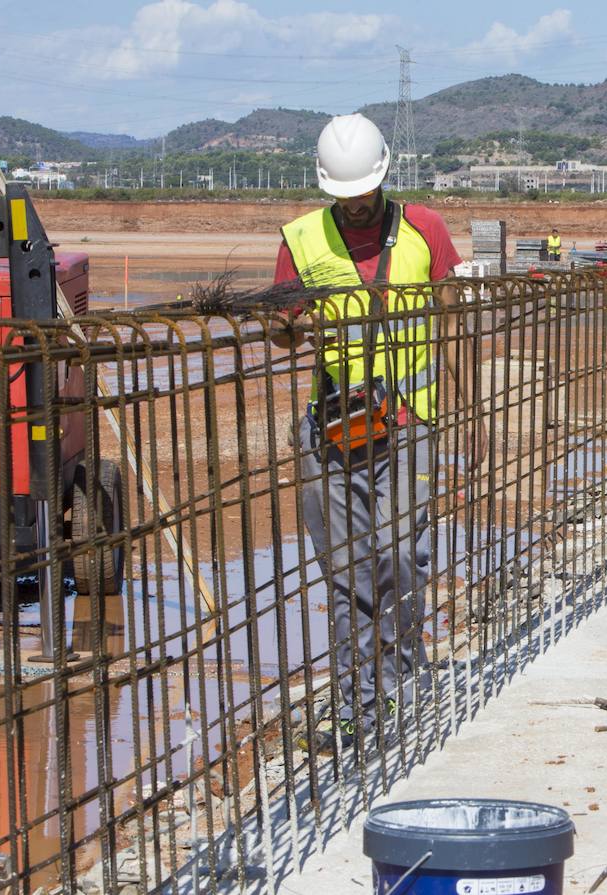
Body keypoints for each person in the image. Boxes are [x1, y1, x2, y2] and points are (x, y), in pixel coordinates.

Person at [271, 113, 465, 754]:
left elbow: (453, 310)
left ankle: (404, 688)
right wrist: (285, 321)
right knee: (348, 572)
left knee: (400, 555)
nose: (355, 204)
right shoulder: (301, 239)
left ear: (382, 176)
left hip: (409, 422)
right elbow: (284, 324)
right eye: (342, 195)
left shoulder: (424, 229)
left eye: (363, 191)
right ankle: (358, 703)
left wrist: (467, 400)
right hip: (334, 427)